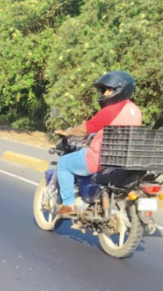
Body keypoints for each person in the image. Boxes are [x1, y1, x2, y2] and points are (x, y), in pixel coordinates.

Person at [53, 70, 142, 216]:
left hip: (101, 159)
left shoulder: (112, 110)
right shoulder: (135, 110)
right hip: (121, 160)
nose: (105, 93)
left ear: (120, 90)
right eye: (105, 90)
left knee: (63, 163)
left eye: (109, 89)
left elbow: (86, 129)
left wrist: (69, 132)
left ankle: (69, 205)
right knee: (82, 154)